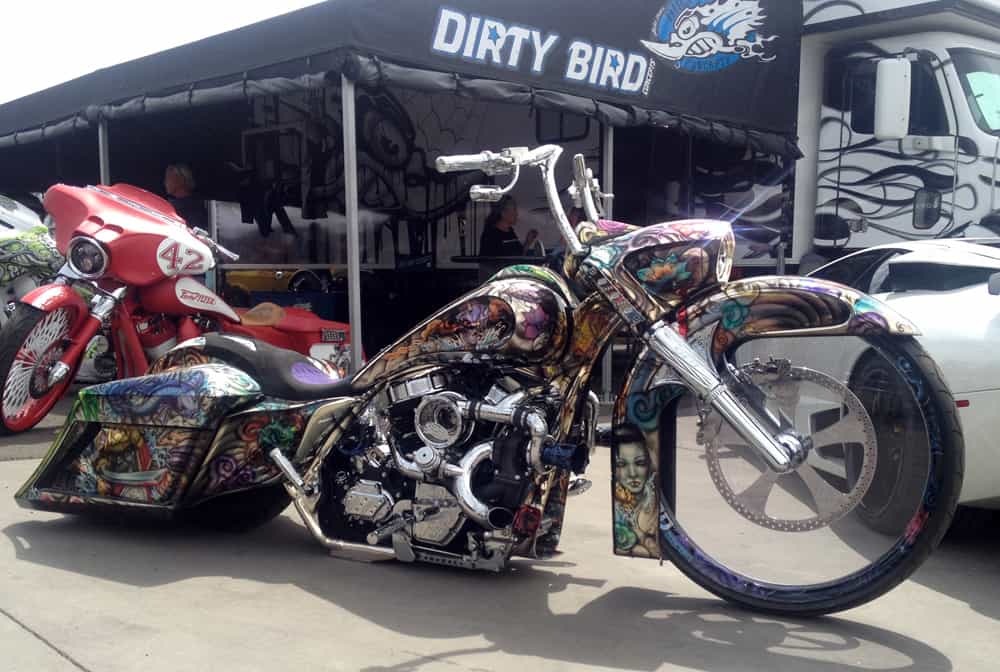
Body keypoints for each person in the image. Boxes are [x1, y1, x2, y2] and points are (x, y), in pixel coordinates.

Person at [164, 164, 207, 230]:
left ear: (180, 180)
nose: (165, 182)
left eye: (168, 178)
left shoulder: (193, 207)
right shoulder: (196, 203)